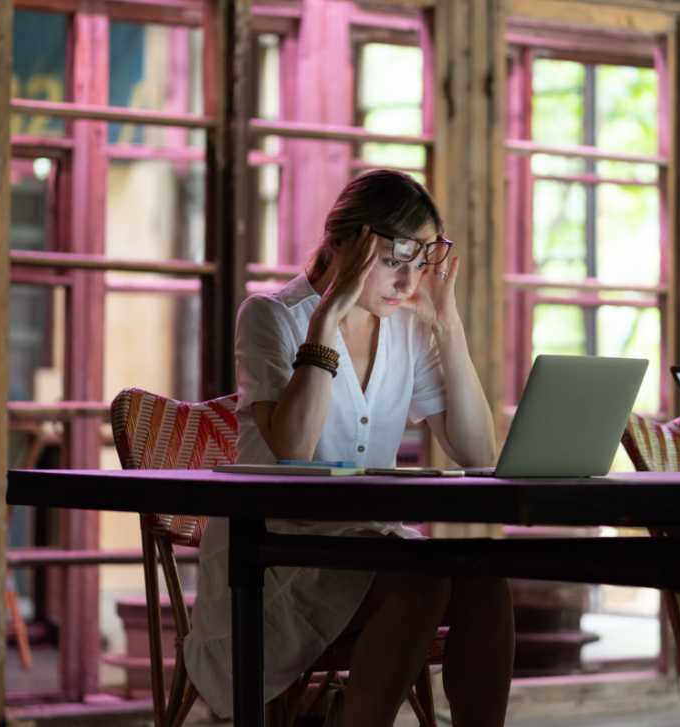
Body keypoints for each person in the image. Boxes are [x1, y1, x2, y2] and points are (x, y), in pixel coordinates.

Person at [182, 170, 515, 727]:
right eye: (393, 259)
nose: (409, 280)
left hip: (369, 546)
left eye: (422, 260)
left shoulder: (406, 325)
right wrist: (330, 315)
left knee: (486, 581)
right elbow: (293, 445)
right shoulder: (271, 316)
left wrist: (448, 324)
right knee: (421, 578)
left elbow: (477, 451)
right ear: (341, 245)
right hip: (273, 555)